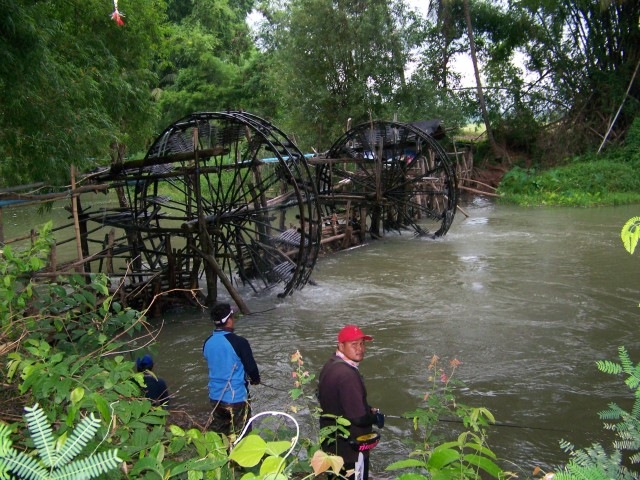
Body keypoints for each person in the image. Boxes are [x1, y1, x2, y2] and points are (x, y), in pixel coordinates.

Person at [317, 325, 384, 480]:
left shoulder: (330, 365)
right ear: (341, 345)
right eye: (354, 344)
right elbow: (358, 418)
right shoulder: (348, 375)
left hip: (332, 446)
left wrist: (367, 408)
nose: (360, 349)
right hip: (350, 451)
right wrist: (376, 418)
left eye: (362, 343)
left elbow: (338, 400)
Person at [203, 302, 261, 437]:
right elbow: (251, 368)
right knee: (243, 435)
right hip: (236, 398)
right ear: (228, 320)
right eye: (232, 316)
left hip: (215, 397)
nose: (233, 320)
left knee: (220, 434)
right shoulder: (240, 342)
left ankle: (219, 455)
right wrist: (256, 380)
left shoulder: (208, 342)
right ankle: (240, 457)